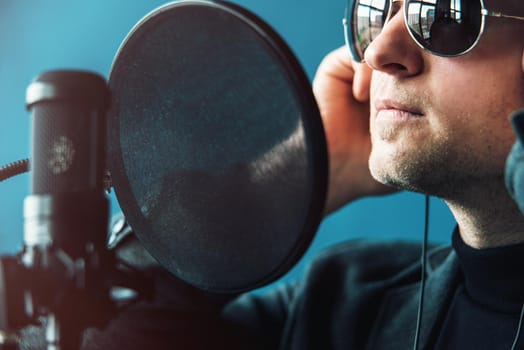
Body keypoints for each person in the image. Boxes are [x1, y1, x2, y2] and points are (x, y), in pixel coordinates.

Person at [18, 0, 524, 349]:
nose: (377, 53)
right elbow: (82, 334)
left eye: (439, 13)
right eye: (376, 11)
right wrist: (298, 170)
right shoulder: (341, 306)